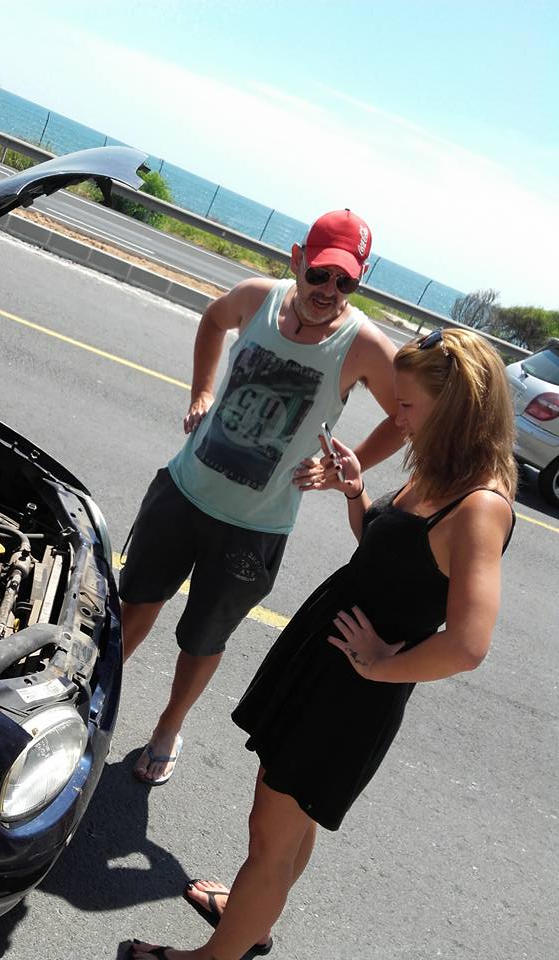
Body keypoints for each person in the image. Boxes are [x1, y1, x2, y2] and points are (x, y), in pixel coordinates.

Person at [130, 327, 517, 959]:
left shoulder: (480, 507)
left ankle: (216, 954)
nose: (398, 419)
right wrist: (357, 492)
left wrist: (380, 665)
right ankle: (253, 918)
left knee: (270, 833)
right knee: (291, 821)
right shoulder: (442, 473)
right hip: (330, 664)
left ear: (455, 408)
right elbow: (387, 556)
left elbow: (469, 644)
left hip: (350, 693)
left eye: (408, 407)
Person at [120, 209, 405, 786]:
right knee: (135, 606)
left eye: (345, 282)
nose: (328, 290)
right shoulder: (256, 298)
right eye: (320, 273)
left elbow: (406, 417)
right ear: (298, 259)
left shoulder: (364, 346)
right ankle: (92, 693)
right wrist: (201, 392)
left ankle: (168, 727)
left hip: (254, 529)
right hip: (184, 491)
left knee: (202, 640)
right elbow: (213, 319)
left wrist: (347, 465)